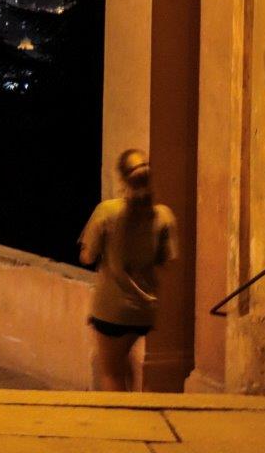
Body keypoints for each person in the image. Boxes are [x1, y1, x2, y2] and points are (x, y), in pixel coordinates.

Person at [78, 148, 177, 391]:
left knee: (111, 372)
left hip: (112, 309)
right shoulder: (164, 215)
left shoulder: (107, 212)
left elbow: (87, 257)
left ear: (122, 179)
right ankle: (134, 409)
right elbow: (168, 260)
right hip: (145, 309)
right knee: (126, 358)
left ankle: (121, 422)